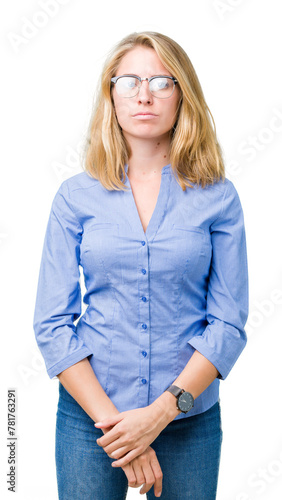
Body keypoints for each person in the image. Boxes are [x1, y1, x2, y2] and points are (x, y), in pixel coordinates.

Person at [33, 31, 249, 499]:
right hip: (90, 420)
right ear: (110, 94)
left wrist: (158, 414)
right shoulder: (75, 195)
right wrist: (123, 432)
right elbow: (52, 324)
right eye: (129, 81)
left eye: (160, 81)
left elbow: (229, 324)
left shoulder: (218, 196)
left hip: (187, 420)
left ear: (182, 94)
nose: (144, 94)